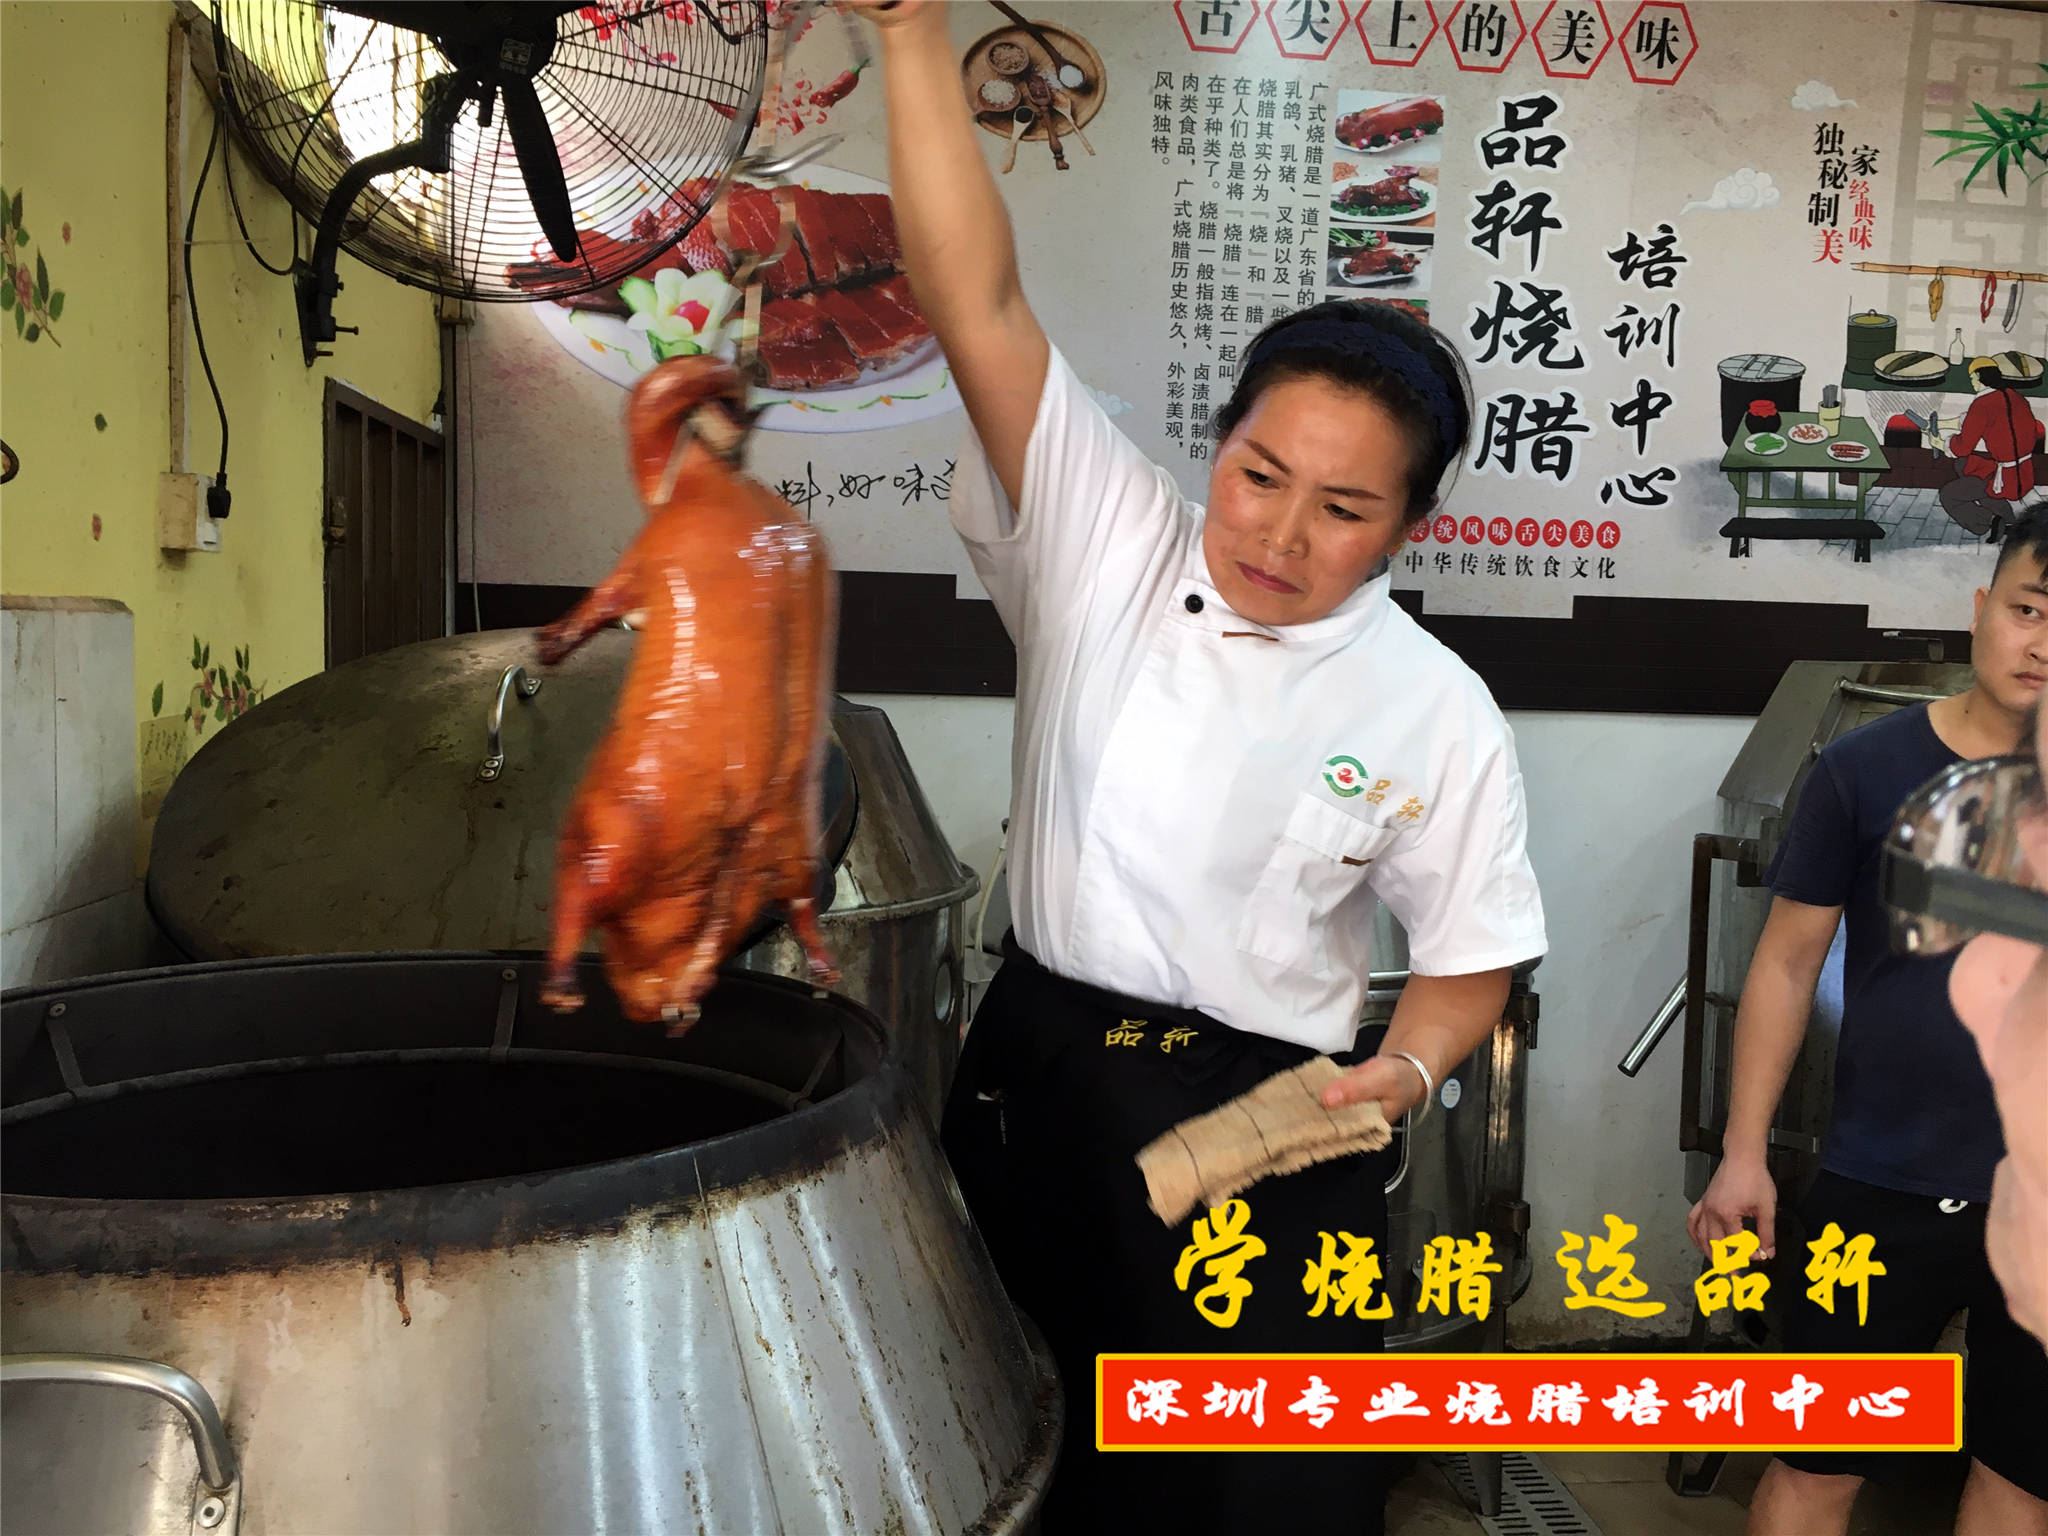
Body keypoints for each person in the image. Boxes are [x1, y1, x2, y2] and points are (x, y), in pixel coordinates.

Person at [847, 4, 1546, 1529]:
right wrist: (907, 31)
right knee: (1012, 1467)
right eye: (1258, 474)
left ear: (1411, 527)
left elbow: (1472, 956)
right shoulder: (1106, 536)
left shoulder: (1437, 709)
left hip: (1271, 1130)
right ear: (1213, 443)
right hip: (1043, 1078)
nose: (1280, 536)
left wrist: (1403, 1073)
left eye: (1343, 511)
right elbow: (975, 300)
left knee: (1258, 1504)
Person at [1689, 513, 2048, 1536]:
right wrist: (1742, 1154)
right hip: (1878, 1183)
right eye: (2028, 611)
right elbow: (1783, 963)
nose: (2040, 644)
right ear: (1979, 610)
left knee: (2022, 1477)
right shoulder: (1863, 768)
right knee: (1816, 1465)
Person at [1940, 362, 2047, 540]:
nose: (1972, 383)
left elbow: (1962, 448)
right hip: (2024, 472)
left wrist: (1944, 442)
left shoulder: (1982, 404)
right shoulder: (2016, 397)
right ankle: (2005, 514)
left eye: (1972, 378)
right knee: (1963, 465)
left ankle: (1991, 522)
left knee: (1949, 495)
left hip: (2004, 479)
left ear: (1980, 377)